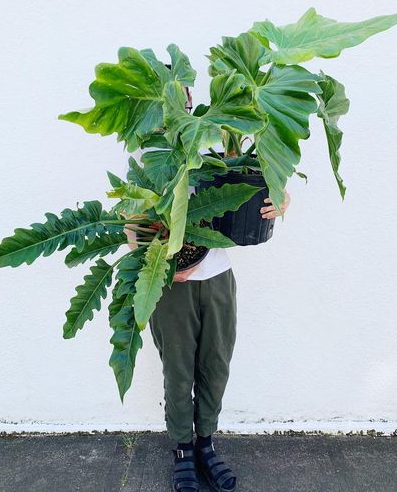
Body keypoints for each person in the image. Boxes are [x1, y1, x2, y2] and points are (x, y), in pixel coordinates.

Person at [124, 83, 290, 492]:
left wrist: (281, 198)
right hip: (173, 285)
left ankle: (206, 445)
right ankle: (182, 450)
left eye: (182, 96)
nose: (177, 105)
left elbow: (256, 178)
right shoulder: (149, 155)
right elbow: (133, 224)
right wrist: (160, 269)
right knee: (178, 373)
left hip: (217, 277)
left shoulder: (212, 140)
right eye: (165, 97)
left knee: (215, 368)